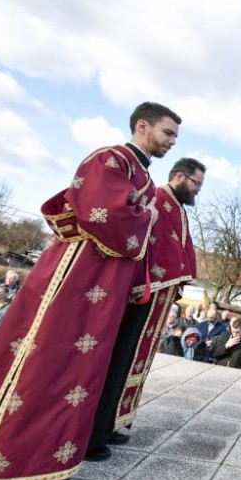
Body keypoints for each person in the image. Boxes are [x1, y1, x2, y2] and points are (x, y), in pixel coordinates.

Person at [0, 101, 180, 480]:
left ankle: (34, 475)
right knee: (42, 366)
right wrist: (149, 216)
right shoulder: (110, 158)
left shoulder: (141, 174)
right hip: (76, 280)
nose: (171, 142)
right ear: (143, 126)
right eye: (167, 133)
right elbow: (105, 216)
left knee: (72, 377)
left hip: (101, 288)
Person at [85, 157, 204, 461]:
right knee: (120, 360)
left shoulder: (175, 207)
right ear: (179, 176)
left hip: (157, 298)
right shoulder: (158, 198)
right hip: (143, 294)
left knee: (132, 364)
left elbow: (181, 247)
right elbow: (152, 244)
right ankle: (93, 434)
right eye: (196, 183)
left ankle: (111, 424)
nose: (198, 190)